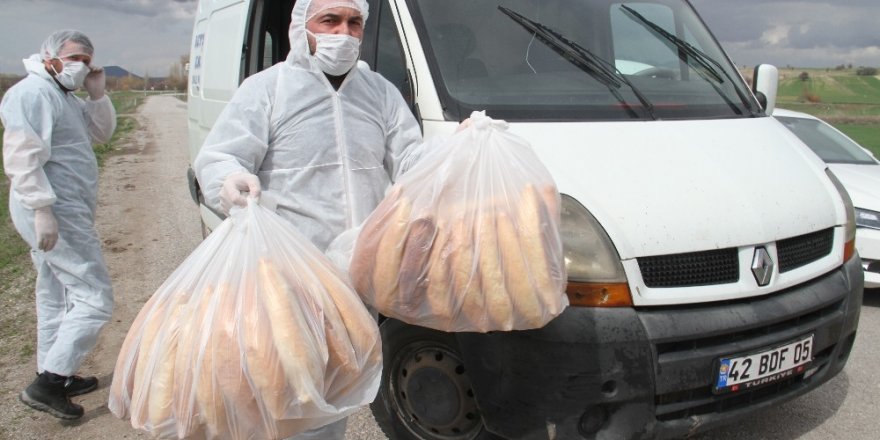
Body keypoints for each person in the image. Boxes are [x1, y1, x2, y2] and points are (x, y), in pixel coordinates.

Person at [194, 0, 463, 437]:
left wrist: (454, 153)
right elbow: (222, 154)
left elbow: (410, 158)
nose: (344, 32)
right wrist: (227, 179)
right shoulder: (268, 89)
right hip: (289, 274)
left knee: (338, 384)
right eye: (330, 20)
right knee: (286, 386)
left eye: (354, 22)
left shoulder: (379, 92)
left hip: (358, 272)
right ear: (303, 26)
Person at [0, 30, 116, 420]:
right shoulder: (31, 94)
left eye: (87, 59)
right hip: (53, 211)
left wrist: (97, 95)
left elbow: (100, 134)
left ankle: (55, 371)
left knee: (55, 293)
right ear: (49, 55)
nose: (81, 66)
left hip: (63, 209)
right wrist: (41, 207)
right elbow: (21, 156)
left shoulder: (62, 96)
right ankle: (48, 384)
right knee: (94, 296)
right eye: (74, 57)